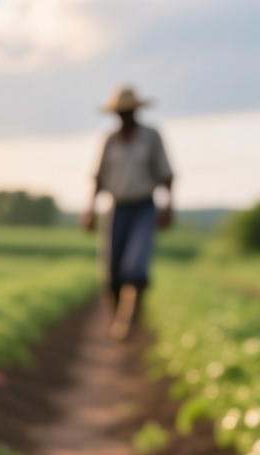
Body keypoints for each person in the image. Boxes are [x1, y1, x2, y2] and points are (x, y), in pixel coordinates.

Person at [81, 85, 174, 340]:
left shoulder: (151, 137)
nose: (125, 117)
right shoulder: (110, 140)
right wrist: (89, 209)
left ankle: (127, 322)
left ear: (136, 111)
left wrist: (169, 206)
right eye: (121, 113)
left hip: (143, 206)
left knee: (135, 268)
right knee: (112, 275)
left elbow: (167, 174)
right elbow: (98, 178)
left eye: (129, 112)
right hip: (116, 208)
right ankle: (117, 318)